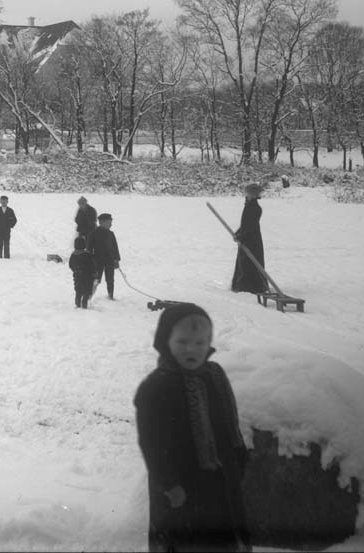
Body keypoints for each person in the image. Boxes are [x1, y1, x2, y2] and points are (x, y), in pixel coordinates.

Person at [134, 303, 251, 553]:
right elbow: (151, 444)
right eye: (183, 341)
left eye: (200, 342)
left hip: (220, 481)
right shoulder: (155, 388)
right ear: (166, 341)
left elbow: (229, 419)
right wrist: (169, 484)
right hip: (180, 486)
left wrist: (238, 455)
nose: (192, 349)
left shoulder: (214, 374)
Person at [230, 183, 267, 294]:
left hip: (252, 239)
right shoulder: (249, 205)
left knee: (249, 262)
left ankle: (250, 286)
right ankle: (241, 284)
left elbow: (250, 226)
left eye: (248, 193)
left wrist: (241, 236)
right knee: (244, 261)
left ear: (253, 195)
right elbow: (245, 224)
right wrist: (238, 233)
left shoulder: (255, 208)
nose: (246, 195)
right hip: (247, 237)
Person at [88, 212, 121, 300]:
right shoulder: (94, 233)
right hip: (98, 261)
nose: (111, 224)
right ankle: (89, 297)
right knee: (96, 280)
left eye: (111, 222)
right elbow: (89, 248)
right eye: (109, 222)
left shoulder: (111, 234)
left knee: (110, 280)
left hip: (110, 260)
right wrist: (89, 260)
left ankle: (111, 296)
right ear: (102, 222)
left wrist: (117, 259)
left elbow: (115, 247)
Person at [68, 236, 97, 309]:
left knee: (78, 290)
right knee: (86, 291)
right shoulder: (87, 255)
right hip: (87, 276)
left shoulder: (73, 255)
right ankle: (84, 304)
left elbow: (70, 265)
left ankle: (77, 304)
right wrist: (94, 273)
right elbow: (91, 265)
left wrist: (75, 270)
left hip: (77, 275)